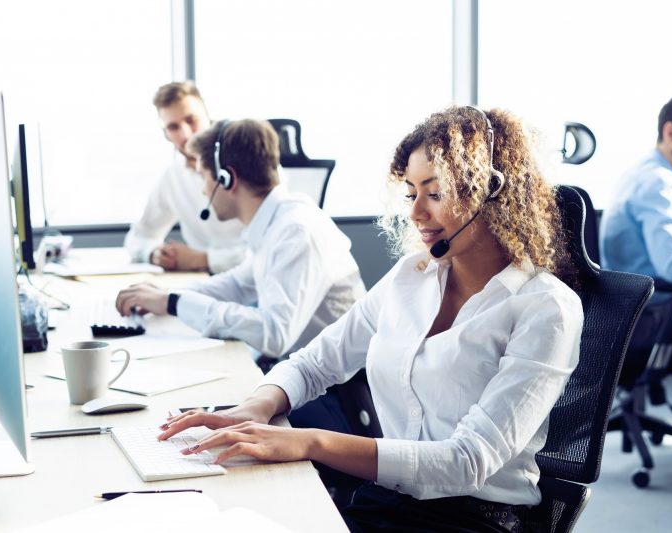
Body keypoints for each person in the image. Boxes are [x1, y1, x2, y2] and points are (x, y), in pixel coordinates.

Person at [156, 107, 583, 532]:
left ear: (490, 191)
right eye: (411, 192)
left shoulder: (546, 308)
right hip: (387, 503)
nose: (416, 213)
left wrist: (308, 442)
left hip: (473, 521)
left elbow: (466, 462)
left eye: (434, 194)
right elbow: (314, 362)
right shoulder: (410, 278)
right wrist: (253, 407)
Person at [115, 118, 366, 360]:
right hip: (301, 372)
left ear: (227, 179)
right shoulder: (275, 221)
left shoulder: (296, 231)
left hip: (335, 392)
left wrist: (174, 303)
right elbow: (237, 285)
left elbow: (274, 334)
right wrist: (166, 295)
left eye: (204, 176)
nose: (203, 190)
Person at [124, 81, 245, 273]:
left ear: (207, 115)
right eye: (173, 127)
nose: (186, 134)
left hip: (250, 287)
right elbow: (138, 237)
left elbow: (271, 249)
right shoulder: (173, 177)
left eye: (191, 120)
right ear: (166, 134)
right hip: (204, 284)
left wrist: (203, 259)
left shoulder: (249, 161)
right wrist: (153, 252)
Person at [600, 92, 672, 282]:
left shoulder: (647, 171)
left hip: (639, 296)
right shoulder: (657, 182)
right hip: (655, 304)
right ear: (670, 132)